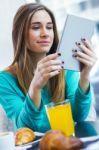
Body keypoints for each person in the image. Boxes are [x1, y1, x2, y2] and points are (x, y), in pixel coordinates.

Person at [0, 3, 97, 132]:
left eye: (49, 27)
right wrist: (35, 88)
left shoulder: (65, 67)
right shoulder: (5, 79)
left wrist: (84, 76)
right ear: (20, 33)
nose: (45, 33)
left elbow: (79, 116)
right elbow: (24, 128)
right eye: (36, 27)